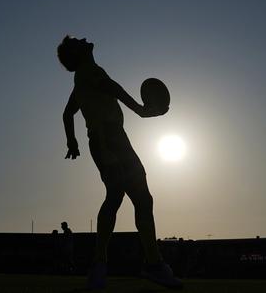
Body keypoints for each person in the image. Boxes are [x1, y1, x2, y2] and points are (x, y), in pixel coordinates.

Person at [58, 36, 182, 289]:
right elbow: (111, 87)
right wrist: (140, 109)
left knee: (117, 196)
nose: (83, 39)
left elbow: (68, 112)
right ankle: (152, 264)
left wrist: (72, 141)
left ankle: (100, 266)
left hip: (106, 141)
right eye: (77, 42)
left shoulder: (80, 78)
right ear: (78, 53)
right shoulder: (89, 72)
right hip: (111, 140)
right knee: (139, 199)